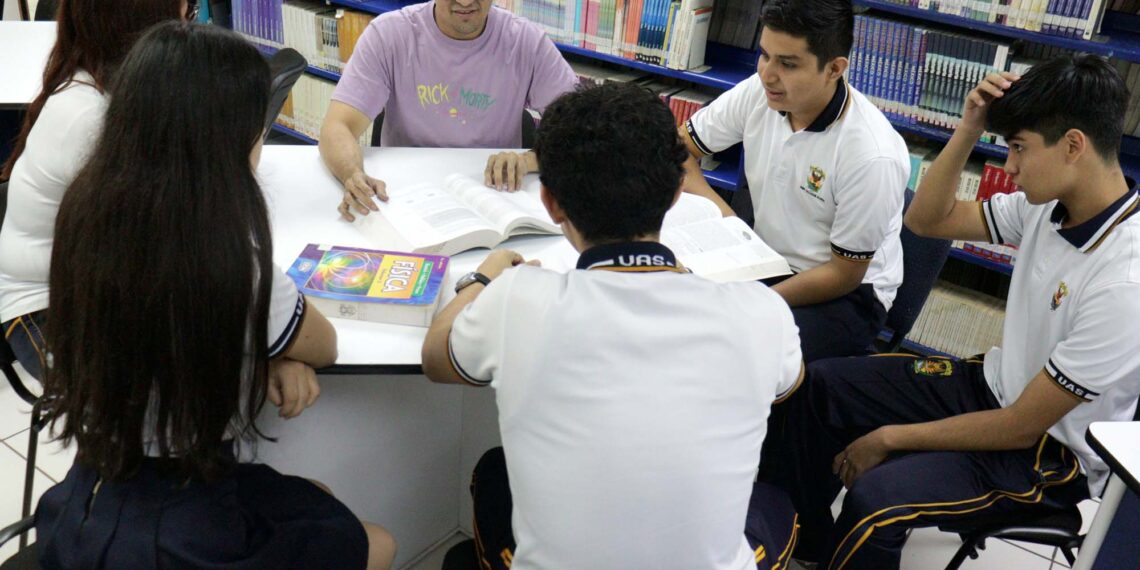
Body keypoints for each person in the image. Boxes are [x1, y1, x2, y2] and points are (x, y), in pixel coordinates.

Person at [33, 23, 396, 570]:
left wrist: (268, 350)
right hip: (180, 523)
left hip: (92, 496)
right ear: (227, 139)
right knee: (376, 542)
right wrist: (279, 348)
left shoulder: (86, 216)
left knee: (313, 500)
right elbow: (323, 343)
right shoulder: (229, 256)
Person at [758, 54, 1140, 570]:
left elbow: (1020, 427)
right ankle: (807, 546)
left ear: (1073, 146)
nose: (1009, 167)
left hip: (1048, 452)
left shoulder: (1124, 282)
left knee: (877, 503)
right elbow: (926, 220)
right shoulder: (1049, 206)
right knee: (817, 386)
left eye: (1019, 148)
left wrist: (889, 439)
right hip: (991, 386)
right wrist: (969, 128)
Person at [422, 82, 804, 569]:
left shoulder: (516, 299)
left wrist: (483, 277)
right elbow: (788, 381)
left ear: (550, 202)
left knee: (495, 472)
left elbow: (436, 357)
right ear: (677, 192)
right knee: (773, 502)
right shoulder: (761, 312)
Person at [679, 0, 909, 362]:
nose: (767, 75)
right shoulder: (759, 92)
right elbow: (679, 151)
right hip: (763, 258)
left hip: (845, 294)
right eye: (764, 55)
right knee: (667, 309)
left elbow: (844, 274)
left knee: (733, 352)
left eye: (787, 64)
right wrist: (727, 222)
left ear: (834, 69)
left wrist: (757, 300)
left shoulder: (871, 155)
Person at [0, 0, 192, 381]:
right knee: (161, 387)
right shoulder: (91, 117)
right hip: (43, 308)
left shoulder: (113, 91)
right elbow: (159, 242)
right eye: (186, 12)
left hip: (93, 287)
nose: (189, 24)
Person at [319, 0, 578, 221]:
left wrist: (528, 160)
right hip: (403, 198)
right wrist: (353, 174)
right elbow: (337, 126)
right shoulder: (388, 35)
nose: (465, 2)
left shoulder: (526, 41)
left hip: (497, 198)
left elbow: (583, 132)